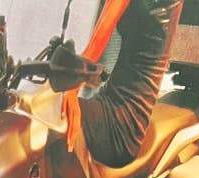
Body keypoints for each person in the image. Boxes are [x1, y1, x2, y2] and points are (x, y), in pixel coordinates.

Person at [79, 0, 184, 168]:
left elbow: (103, 31)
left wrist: (74, 79)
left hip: (124, 120)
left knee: (53, 120)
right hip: (111, 98)